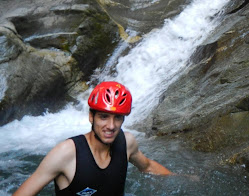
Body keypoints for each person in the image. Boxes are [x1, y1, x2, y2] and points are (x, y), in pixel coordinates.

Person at [13, 81, 173, 196]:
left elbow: (148, 166)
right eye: (104, 117)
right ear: (91, 116)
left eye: (117, 118)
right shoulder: (66, 153)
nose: (111, 125)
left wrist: (185, 179)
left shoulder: (127, 143)